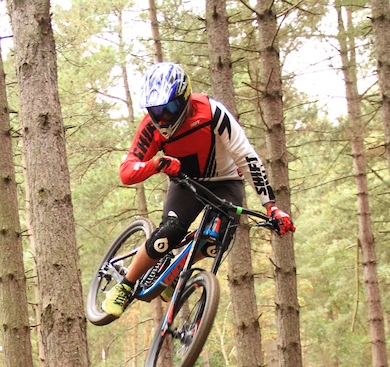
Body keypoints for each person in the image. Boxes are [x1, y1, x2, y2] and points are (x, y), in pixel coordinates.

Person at [102, 62, 295, 318]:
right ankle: (125, 286)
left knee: (217, 243)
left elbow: (246, 157)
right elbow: (127, 172)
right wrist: (156, 164)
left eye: (168, 108)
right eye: (154, 110)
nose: (162, 117)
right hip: (186, 182)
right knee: (168, 235)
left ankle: (175, 270)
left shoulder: (213, 113)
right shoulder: (151, 126)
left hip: (226, 182)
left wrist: (271, 206)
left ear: (184, 100)